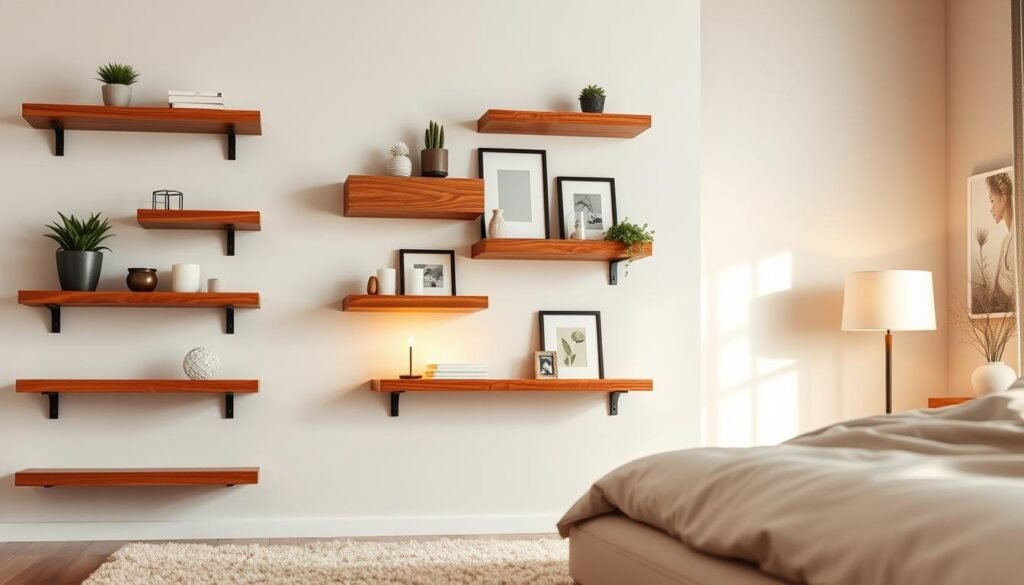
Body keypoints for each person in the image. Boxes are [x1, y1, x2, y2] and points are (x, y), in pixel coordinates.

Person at [987, 172, 1015, 312]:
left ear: (1003, 199)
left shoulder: (1017, 242)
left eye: (992, 201)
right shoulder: (1005, 242)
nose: (990, 209)